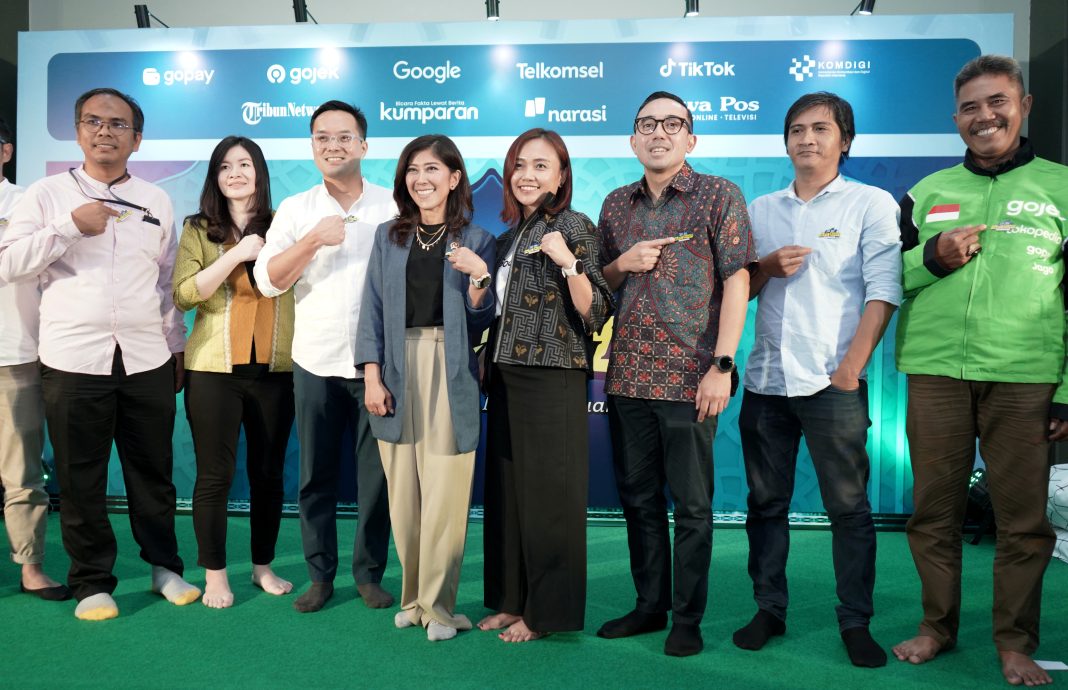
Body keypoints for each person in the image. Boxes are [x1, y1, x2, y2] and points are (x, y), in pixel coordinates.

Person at [891, 55, 1067, 687]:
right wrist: (931, 260)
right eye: (970, 107)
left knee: (1024, 522)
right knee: (931, 514)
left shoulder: (1061, 187)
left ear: (1024, 106)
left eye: (998, 102)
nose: (984, 116)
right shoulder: (926, 192)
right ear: (956, 118)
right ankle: (936, 626)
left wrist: (1067, 391)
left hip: (1026, 377)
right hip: (936, 371)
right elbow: (884, 279)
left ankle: (1015, 642)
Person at [0, 88, 199, 620]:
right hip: (71, 359)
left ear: (137, 138)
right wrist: (69, 226)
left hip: (146, 357)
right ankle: (91, 582)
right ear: (78, 132)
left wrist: (175, 346)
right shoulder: (45, 195)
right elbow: (9, 263)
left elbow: (165, 282)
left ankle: (165, 567)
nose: (105, 131)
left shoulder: (156, 200)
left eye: (117, 124)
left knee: (152, 472)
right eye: (93, 121)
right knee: (79, 476)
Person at [733, 92, 900, 667]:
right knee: (765, 505)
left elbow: (884, 290)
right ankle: (768, 609)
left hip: (834, 383)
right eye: (797, 129)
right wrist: (763, 267)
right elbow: (739, 290)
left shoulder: (869, 203)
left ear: (844, 140)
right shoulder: (760, 209)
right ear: (785, 141)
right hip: (766, 381)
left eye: (821, 129)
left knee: (848, 509)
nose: (807, 138)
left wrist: (850, 371)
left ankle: (855, 621)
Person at [596, 91, 755, 657]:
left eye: (672, 123)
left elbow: (738, 280)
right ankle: (649, 605)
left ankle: (687, 618)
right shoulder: (616, 205)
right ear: (632, 139)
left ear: (691, 138)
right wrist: (623, 263)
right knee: (638, 501)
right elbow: (601, 286)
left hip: (691, 380)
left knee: (691, 508)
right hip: (627, 379)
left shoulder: (719, 195)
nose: (658, 133)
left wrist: (722, 365)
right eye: (647, 124)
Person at [253, 101, 396, 613]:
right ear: (312, 146)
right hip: (314, 361)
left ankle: (369, 574)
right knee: (315, 475)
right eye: (322, 138)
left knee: (376, 479)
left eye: (343, 136)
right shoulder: (297, 209)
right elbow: (267, 281)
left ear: (363, 145)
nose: (332, 146)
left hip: (378, 366)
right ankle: (320, 575)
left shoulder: (392, 206)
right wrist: (313, 239)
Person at [356, 134, 495, 642]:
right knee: (404, 497)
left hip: (451, 365)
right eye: (413, 170)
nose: (422, 179)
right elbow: (372, 307)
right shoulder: (388, 236)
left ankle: (439, 607)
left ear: (454, 178)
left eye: (433, 169)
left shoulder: (477, 239)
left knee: (445, 491)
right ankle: (414, 601)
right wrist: (371, 375)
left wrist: (479, 279)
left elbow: (481, 321)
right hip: (395, 368)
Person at [477, 128, 613, 643]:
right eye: (519, 165)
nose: (527, 175)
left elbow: (596, 311)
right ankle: (512, 601)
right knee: (508, 494)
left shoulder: (574, 224)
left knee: (550, 498)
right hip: (505, 376)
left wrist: (568, 262)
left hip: (552, 374)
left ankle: (546, 612)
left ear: (560, 176)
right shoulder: (509, 236)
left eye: (540, 166)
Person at [173, 136, 296, 609]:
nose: (235, 174)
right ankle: (216, 574)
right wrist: (237, 252)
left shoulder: (285, 224)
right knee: (214, 477)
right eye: (225, 167)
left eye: (245, 164)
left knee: (268, 475)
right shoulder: (198, 228)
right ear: (215, 177)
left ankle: (263, 566)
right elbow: (185, 294)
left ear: (260, 172)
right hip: (212, 370)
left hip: (275, 369)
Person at [0, 115, 71, 601]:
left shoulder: (28, 204)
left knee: (23, 472)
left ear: (6, 151)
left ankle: (30, 566)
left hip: (16, 354)